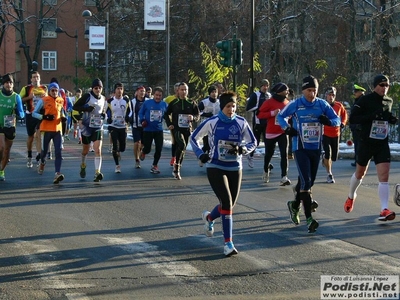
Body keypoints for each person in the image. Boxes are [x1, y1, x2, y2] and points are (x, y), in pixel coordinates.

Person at [190, 91, 256, 256]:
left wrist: (244, 149)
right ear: (222, 106)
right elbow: (193, 138)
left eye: (233, 106)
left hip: (235, 167)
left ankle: (209, 218)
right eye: (228, 106)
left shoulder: (241, 122)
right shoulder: (212, 122)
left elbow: (253, 141)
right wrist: (201, 154)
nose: (231, 109)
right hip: (215, 167)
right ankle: (228, 244)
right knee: (226, 203)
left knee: (229, 205)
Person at [278, 75, 340, 233]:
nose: (312, 94)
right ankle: (309, 219)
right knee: (306, 181)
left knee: (308, 182)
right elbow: (280, 117)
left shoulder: (322, 104)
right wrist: (287, 129)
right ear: (303, 90)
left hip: (316, 147)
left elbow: (337, 120)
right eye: (309, 90)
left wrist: (328, 121)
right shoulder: (296, 104)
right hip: (300, 147)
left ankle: (294, 204)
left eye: (315, 90)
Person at [344, 74, 397, 221]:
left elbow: (385, 117)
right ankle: (351, 196)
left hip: (381, 143)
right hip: (366, 142)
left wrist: (391, 119)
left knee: (384, 176)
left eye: (387, 85)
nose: (384, 88)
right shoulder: (365, 100)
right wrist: (371, 116)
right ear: (375, 86)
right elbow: (353, 119)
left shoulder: (389, 101)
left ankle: (384, 209)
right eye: (381, 85)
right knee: (360, 173)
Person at [163, 82, 199, 180]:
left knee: (183, 148)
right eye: (181, 90)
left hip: (187, 129)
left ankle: (177, 165)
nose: (183, 92)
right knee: (182, 145)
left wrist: (193, 118)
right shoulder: (174, 103)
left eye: (185, 90)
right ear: (178, 91)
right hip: (176, 129)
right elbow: (165, 114)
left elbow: (197, 115)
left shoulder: (192, 102)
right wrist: (169, 124)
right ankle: (177, 167)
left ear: (187, 91)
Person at [73, 78, 107, 182]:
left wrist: (104, 115)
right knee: (85, 150)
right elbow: (75, 107)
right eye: (96, 88)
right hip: (87, 127)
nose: (98, 90)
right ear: (92, 88)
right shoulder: (88, 96)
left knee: (98, 150)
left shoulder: (103, 99)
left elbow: (103, 112)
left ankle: (97, 172)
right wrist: (86, 109)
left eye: (99, 88)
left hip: (97, 127)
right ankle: (83, 164)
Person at [257, 82, 291, 185]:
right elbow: (259, 114)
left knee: (284, 154)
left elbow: (291, 114)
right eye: (286, 90)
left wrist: (289, 117)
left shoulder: (287, 102)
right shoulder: (269, 102)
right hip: (271, 132)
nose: (288, 92)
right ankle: (266, 170)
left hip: (283, 132)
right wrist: (272, 113)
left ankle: (284, 177)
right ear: (280, 91)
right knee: (269, 154)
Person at [32, 82, 65, 184]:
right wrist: (44, 117)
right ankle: (42, 162)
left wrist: (64, 117)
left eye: (56, 90)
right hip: (46, 130)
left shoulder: (61, 100)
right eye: (52, 90)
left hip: (57, 130)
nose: (55, 92)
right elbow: (34, 113)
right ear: (49, 91)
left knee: (58, 152)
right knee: (44, 152)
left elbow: (62, 112)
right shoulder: (43, 100)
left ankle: (57, 173)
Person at [19, 71, 47, 168]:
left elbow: (48, 101)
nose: (36, 79)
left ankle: (39, 156)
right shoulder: (26, 88)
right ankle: (30, 156)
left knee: (39, 135)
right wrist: (29, 97)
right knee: (30, 137)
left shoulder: (44, 88)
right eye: (34, 77)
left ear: (40, 78)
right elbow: (19, 100)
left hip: (39, 115)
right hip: (30, 114)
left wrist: (45, 98)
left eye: (37, 77)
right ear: (31, 79)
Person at [0, 74, 25, 181]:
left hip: (10, 126)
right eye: (6, 82)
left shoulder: (16, 97)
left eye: (10, 83)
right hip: (0, 125)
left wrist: (19, 113)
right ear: (3, 84)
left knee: (7, 150)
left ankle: (2, 170)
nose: (8, 85)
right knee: (1, 147)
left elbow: (22, 113)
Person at [321, 87, 348, 183]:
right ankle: (329, 174)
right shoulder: (323, 106)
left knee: (334, 157)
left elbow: (344, 115)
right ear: (326, 96)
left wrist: (343, 123)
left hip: (336, 133)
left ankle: (325, 158)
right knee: (328, 153)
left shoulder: (339, 105)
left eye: (333, 95)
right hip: (325, 133)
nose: (331, 97)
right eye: (329, 95)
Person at [138, 86, 167, 174]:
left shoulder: (164, 104)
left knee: (159, 148)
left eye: (160, 95)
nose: (158, 97)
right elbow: (141, 113)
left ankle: (154, 165)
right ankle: (143, 151)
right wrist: (142, 120)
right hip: (148, 130)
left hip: (158, 130)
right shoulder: (147, 103)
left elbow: (167, 115)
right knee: (148, 149)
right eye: (156, 95)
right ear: (153, 95)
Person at [105, 83, 131, 173]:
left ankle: (119, 151)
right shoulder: (110, 101)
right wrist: (108, 118)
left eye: (121, 89)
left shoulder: (126, 100)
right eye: (118, 89)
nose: (119, 90)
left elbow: (130, 111)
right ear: (114, 90)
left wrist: (128, 118)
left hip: (123, 126)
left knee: (122, 147)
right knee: (115, 146)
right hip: (113, 126)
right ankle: (117, 165)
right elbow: (105, 112)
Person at [245, 79, 271, 168]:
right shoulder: (255, 95)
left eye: (267, 86)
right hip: (258, 122)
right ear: (260, 86)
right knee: (256, 141)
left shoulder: (269, 95)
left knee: (268, 142)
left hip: (267, 122)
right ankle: (250, 156)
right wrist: (259, 108)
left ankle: (268, 161)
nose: (265, 87)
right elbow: (248, 108)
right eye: (264, 85)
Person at [197, 85, 220, 163]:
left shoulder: (220, 102)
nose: (214, 94)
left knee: (213, 143)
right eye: (212, 92)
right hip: (206, 125)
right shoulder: (204, 102)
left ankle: (211, 159)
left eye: (215, 92)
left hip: (216, 125)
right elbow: (197, 112)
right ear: (209, 93)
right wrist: (205, 114)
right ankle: (201, 157)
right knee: (206, 144)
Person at [128, 86, 147, 169]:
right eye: (140, 91)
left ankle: (142, 151)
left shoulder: (147, 101)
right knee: (137, 143)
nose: (142, 93)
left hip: (145, 126)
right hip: (135, 125)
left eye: (143, 91)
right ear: (137, 92)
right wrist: (129, 119)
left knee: (143, 144)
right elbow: (129, 112)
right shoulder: (132, 102)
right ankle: (137, 160)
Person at [164, 82, 180, 166]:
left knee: (181, 142)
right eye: (177, 90)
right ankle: (173, 157)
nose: (178, 92)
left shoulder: (185, 99)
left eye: (180, 90)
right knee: (175, 140)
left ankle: (178, 157)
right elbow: (163, 107)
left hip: (182, 124)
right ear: (175, 90)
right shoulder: (169, 99)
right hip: (173, 123)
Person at [349, 84, 366, 167]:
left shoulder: (362, 101)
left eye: (355, 91)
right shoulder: (358, 100)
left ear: (361, 92)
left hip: (360, 128)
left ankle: (359, 161)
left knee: (360, 146)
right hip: (355, 127)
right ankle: (357, 160)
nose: (354, 93)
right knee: (357, 145)